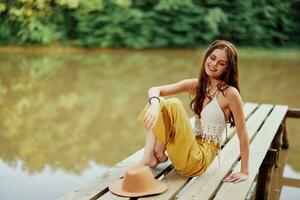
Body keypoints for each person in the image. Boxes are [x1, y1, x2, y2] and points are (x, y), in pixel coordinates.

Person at [137, 40, 249, 183]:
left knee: (173, 104)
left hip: (199, 160)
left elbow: (243, 134)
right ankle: (152, 156)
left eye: (221, 63)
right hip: (186, 149)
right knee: (159, 102)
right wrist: (154, 104)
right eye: (212, 58)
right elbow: (155, 89)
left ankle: (151, 156)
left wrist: (244, 171)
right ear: (207, 57)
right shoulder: (197, 85)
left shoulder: (230, 93)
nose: (214, 64)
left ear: (228, 68)